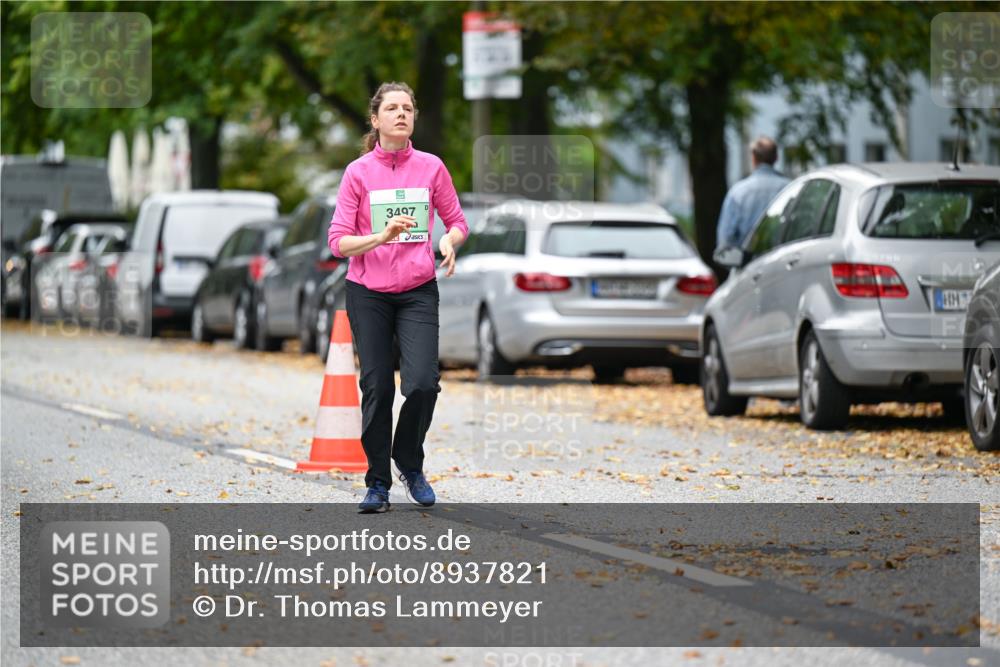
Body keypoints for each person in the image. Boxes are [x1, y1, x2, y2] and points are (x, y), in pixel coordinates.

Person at [327, 82, 468, 514]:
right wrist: (380, 237)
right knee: (377, 387)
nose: (401, 114)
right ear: (376, 120)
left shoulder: (431, 167)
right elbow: (338, 243)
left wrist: (450, 242)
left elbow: (458, 220)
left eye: (408, 107)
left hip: (417, 291)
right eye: (392, 108)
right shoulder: (358, 172)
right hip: (368, 292)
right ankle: (377, 483)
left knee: (423, 383)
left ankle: (409, 461)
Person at [715, 136, 790, 250]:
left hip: (749, 262)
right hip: (785, 260)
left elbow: (725, 239)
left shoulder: (738, 192)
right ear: (776, 157)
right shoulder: (790, 188)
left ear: (753, 158)